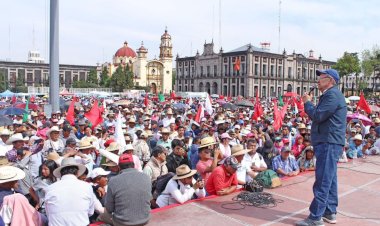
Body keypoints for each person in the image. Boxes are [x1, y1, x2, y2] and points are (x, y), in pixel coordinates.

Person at [297, 69, 347, 226]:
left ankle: (315, 217)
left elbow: (318, 116)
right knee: (330, 178)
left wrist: (307, 102)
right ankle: (329, 212)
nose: (318, 80)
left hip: (329, 142)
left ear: (330, 80)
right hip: (328, 141)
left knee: (323, 179)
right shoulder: (330, 95)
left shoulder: (332, 95)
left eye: (321, 77)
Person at [100, 153, 151, 226]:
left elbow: (109, 208)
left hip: (122, 222)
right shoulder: (146, 177)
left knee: (101, 216)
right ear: (133, 165)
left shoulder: (113, 181)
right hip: (145, 219)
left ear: (119, 167)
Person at [44, 157, 95, 226]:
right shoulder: (87, 187)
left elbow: (49, 213)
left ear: (61, 173)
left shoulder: (49, 189)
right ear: (77, 172)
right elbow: (90, 212)